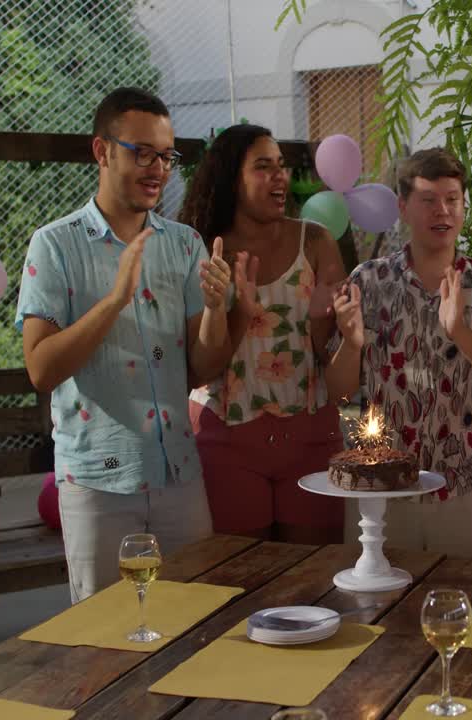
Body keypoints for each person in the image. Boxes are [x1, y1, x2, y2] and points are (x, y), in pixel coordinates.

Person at [16, 88, 234, 602]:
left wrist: (218, 310)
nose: (157, 168)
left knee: (194, 623)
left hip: (179, 473)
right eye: (142, 152)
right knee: (103, 648)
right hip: (97, 481)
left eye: (166, 155)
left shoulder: (183, 243)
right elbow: (41, 370)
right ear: (102, 151)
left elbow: (200, 369)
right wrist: (114, 300)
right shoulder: (55, 245)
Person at [325, 148, 472, 560]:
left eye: (453, 199)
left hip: (463, 485)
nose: (444, 211)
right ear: (402, 206)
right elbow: (339, 393)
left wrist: (459, 331)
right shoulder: (369, 280)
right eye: (429, 200)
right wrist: (351, 342)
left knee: (468, 608)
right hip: (381, 485)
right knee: (379, 611)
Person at [179, 124, 347, 544]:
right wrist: (235, 311)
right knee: (240, 584)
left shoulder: (316, 242)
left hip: (310, 438)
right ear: (231, 179)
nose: (279, 176)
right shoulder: (202, 249)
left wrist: (334, 323)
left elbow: (334, 351)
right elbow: (196, 367)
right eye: (263, 167)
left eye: (281, 166)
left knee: (312, 581)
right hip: (226, 440)